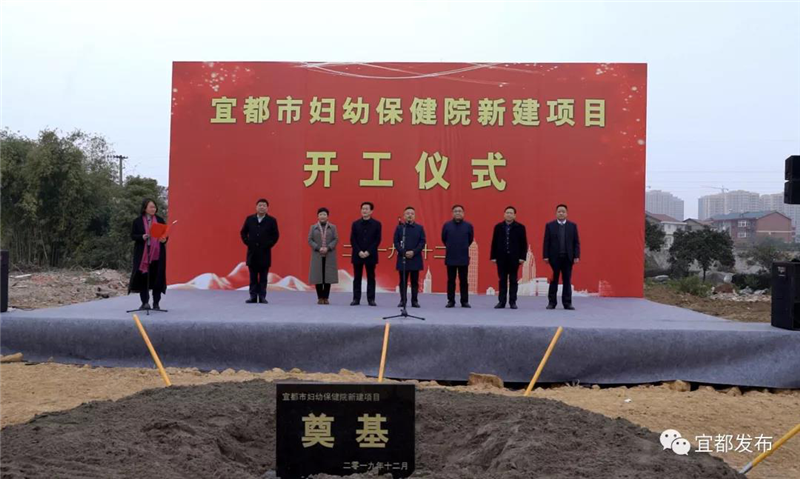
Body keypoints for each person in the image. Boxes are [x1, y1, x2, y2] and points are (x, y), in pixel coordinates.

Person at [128, 198, 168, 310]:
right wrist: (142, 237)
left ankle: (156, 303)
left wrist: (164, 239)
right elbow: (133, 236)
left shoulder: (160, 220)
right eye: (151, 207)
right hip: (143, 254)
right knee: (143, 279)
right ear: (145, 208)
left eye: (154, 207)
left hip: (157, 254)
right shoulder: (137, 221)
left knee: (157, 278)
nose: (153, 209)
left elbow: (165, 235)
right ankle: (145, 303)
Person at [240, 198, 280, 304]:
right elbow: (243, 232)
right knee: (253, 277)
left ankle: (262, 297)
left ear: (267, 208)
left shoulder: (272, 220)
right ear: (256, 207)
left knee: (263, 277)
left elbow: (275, 235)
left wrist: (269, 245)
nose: (262, 207)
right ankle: (253, 296)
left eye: (264, 205)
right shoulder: (249, 219)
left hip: (265, 253)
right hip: (252, 253)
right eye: (260, 205)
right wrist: (248, 242)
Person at [543, 204, 581, 310]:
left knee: (567, 281)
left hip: (568, 258)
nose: (561, 213)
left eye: (563, 211)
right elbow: (546, 242)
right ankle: (552, 303)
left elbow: (576, 242)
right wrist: (545, 256)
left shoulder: (572, 226)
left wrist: (576, 256)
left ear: (566, 213)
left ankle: (567, 303)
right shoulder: (550, 225)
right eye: (559, 211)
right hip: (554, 258)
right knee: (553, 281)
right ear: (556, 213)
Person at [490, 206, 528, 309]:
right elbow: (494, 242)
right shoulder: (498, 227)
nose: (509, 215)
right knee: (502, 280)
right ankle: (501, 302)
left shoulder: (520, 227)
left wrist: (522, 257)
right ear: (504, 214)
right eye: (507, 212)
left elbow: (524, 244)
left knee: (513, 280)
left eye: (511, 213)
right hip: (501, 258)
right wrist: (493, 256)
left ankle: (512, 302)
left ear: (515, 215)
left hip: (514, 258)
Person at [441, 204, 474, 308]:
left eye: (460, 211)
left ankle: (464, 301)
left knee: (464, 280)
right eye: (455, 211)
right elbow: (444, 239)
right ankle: (451, 301)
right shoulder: (447, 225)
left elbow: (470, 240)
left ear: (463, 213)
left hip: (463, 257)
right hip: (451, 256)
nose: (458, 213)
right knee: (451, 280)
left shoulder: (468, 226)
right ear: (452, 213)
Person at [350, 202, 381, 306]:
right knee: (357, 277)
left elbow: (377, 240)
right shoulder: (355, 224)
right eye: (363, 209)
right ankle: (356, 299)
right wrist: (359, 251)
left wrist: (368, 251)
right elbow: (353, 240)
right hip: (357, 254)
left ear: (371, 211)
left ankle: (371, 299)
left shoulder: (377, 224)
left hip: (370, 255)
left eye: (367, 209)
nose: (364, 211)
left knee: (371, 277)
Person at [394, 206, 426, 308]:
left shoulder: (419, 228)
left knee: (414, 281)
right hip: (402, 258)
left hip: (415, 258)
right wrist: (403, 252)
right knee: (402, 281)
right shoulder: (400, 228)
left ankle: (414, 301)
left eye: (412, 214)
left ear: (415, 216)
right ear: (404, 216)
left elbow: (422, 242)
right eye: (407, 213)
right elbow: (396, 242)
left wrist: (413, 252)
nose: (410, 215)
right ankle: (403, 300)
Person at [308, 207, 339, 304]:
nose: (322, 216)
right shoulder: (313, 227)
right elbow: (310, 240)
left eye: (324, 214)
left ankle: (326, 297)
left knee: (327, 277)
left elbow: (336, 239)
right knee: (318, 276)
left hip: (329, 254)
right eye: (320, 214)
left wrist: (328, 248)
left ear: (327, 216)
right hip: (317, 254)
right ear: (317, 216)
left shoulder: (333, 227)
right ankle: (320, 297)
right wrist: (318, 248)